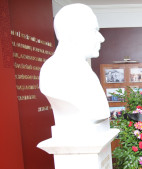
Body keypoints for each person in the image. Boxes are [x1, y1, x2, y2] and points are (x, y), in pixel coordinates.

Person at [39, 4, 109, 137]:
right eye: (95, 30)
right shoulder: (53, 72)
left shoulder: (85, 72)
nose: (101, 38)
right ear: (75, 33)